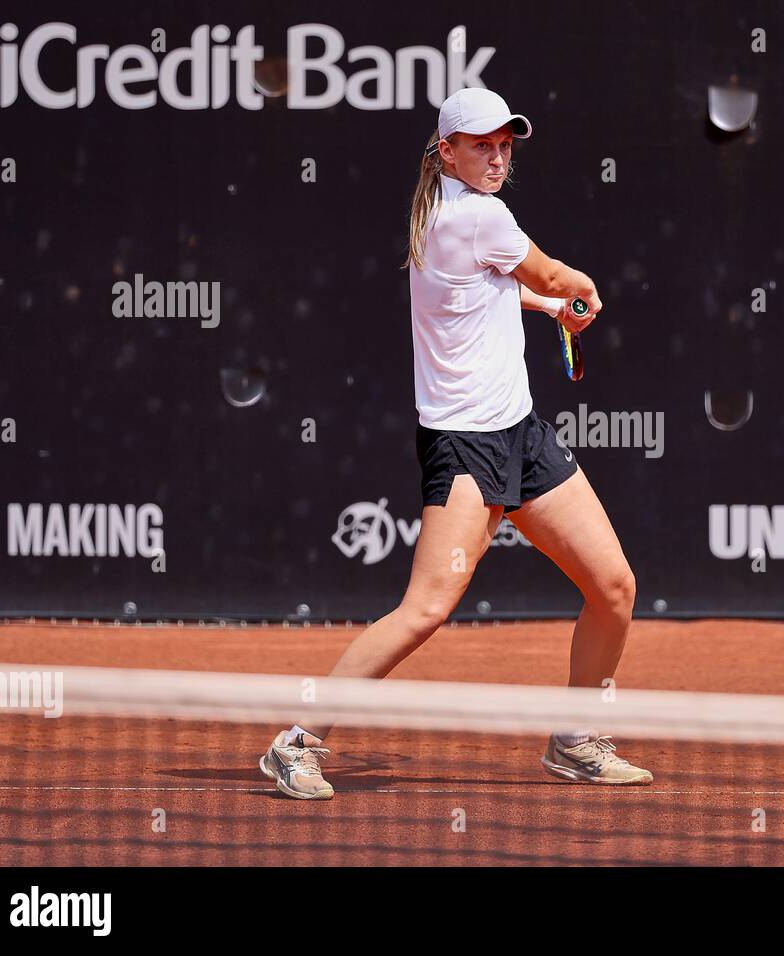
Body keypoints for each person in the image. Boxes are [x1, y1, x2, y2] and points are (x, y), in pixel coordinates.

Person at [259, 88, 652, 799]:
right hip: (467, 447)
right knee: (426, 609)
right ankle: (297, 742)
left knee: (614, 587)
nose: (497, 158)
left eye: (505, 146)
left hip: (522, 435)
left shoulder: (441, 210)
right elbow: (553, 274)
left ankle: (575, 739)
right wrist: (581, 291)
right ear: (447, 151)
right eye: (481, 146)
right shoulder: (480, 217)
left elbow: (496, 285)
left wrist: (547, 305)